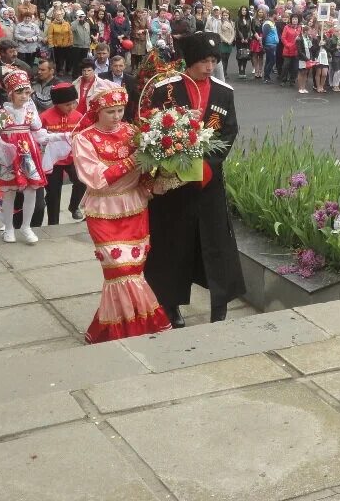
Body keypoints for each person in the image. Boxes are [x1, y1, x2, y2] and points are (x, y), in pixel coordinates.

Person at [145, 32, 244, 328]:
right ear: (190, 61)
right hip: (173, 182)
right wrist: (169, 164)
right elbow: (152, 127)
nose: (209, 66)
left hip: (208, 182)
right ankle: (170, 303)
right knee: (172, 242)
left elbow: (228, 133)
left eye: (213, 60)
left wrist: (208, 167)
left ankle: (220, 302)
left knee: (215, 242)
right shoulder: (168, 89)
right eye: (203, 61)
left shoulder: (223, 93)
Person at [72, 86, 171, 343]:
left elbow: (146, 173)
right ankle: (126, 326)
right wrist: (132, 160)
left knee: (133, 269)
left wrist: (162, 174)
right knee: (117, 268)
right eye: (110, 111)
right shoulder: (84, 139)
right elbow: (96, 179)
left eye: (120, 110)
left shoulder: (134, 133)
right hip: (103, 209)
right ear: (96, 110)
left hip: (134, 205)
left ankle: (124, 325)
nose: (117, 116)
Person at [0, 69, 52, 244]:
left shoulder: (31, 111)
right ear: (10, 93)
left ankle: (26, 227)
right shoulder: (2, 113)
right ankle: (8, 228)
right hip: (9, 156)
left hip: (28, 154)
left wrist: (56, 138)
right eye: (19, 92)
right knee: (9, 193)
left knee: (31, 191)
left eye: (27, 91)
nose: (23, 96)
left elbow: (37, 131)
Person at [40, 83, 86, 223]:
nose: (71, 107)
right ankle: (53, 223)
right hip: (52, 161)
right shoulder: (44, 117)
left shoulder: (79, 117)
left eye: (73, 103)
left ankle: (74, 206)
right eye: (67, 105)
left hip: (72, 157)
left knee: (82, 181)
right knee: (53, 193)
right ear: (57, 104)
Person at [99, 55, 139, 120]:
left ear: (124, 66)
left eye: (120, 66)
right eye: (115, 66)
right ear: (111, 66)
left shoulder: (131, 79)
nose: (118, 69)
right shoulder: (102, 77)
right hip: (107, 113)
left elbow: (135, 98)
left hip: (126, 115)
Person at [46, 9, 73, 76]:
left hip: (67, 44)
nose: (59, 16)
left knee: (69, 58)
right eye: (57, 15)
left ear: (63, 15)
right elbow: (50, 35)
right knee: (59, 59)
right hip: (57, 45)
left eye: (60, 14)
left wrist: (71, 42)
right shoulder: (52, 24)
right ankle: (59, 70)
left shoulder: (67, 24)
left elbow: (70, 34)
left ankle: (68, 70)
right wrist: (51, 44)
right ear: (55, 16)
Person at [261, 11, 279, 83]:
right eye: (277, 15)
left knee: (269, 61)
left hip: (272, 44)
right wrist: (264, 45)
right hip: (270, 45)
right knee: (271, 61)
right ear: (274, 15)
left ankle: (266, 77)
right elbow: (264, 35)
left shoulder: (271, 23)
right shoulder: (268, 24)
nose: (277, 16)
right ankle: (266, 77)